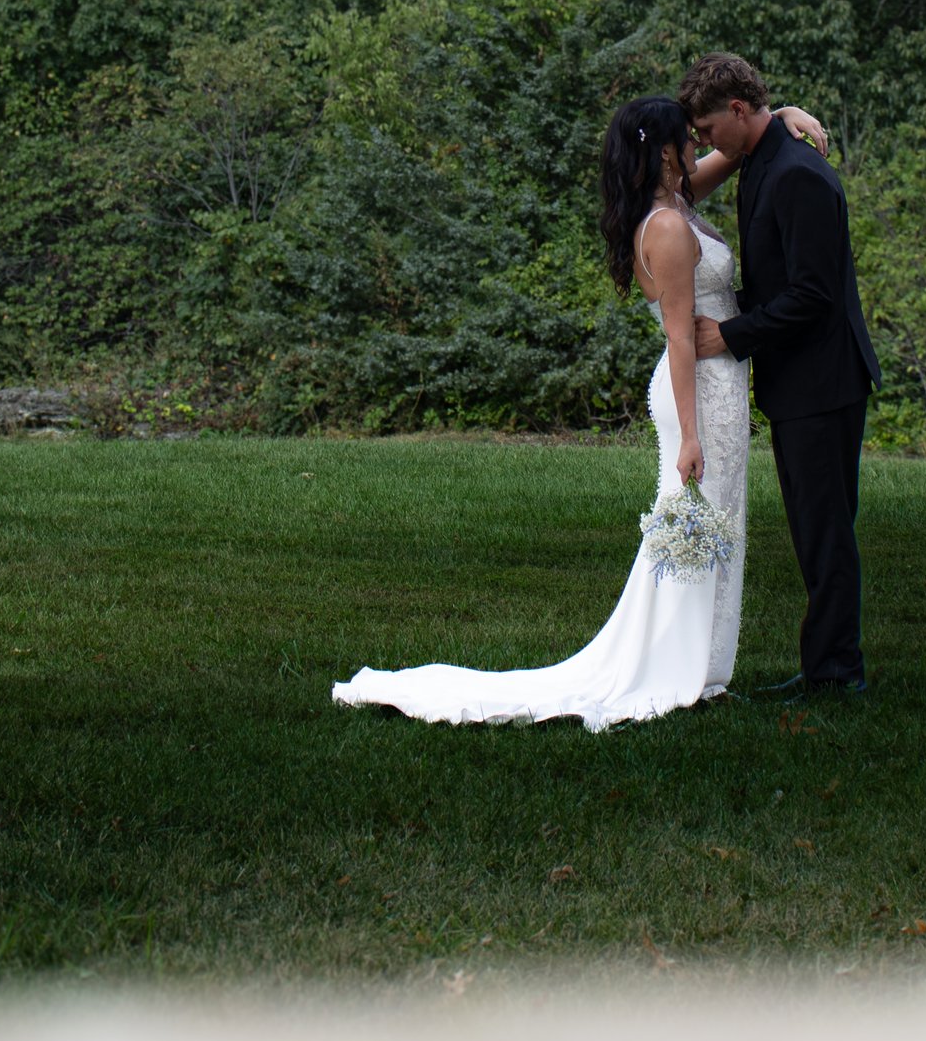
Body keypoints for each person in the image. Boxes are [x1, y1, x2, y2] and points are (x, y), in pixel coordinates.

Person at [330, 94, 829, 730]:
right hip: (697, 392)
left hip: (716, 385)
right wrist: (690, 438)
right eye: (688, 139)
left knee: (717, 528)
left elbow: (732, 151)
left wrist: (779, 111)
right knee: (700, 529)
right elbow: (680, 338)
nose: (699, 147)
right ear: (666, 150)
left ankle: (703, 668)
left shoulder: (675, 200)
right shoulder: (670, 226)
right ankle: (679, 670)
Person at [682, 52, 881, 700]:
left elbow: (814, 294)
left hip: (823, 383)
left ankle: (836, 672)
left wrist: (730, 335)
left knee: (825, 530)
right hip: (801, 382)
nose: (703, 144)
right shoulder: (763, 155)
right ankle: (826, 663)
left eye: (708, 130)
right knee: (814, 526)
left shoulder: (797, 173)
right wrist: (788, 108)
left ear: (738, 111)